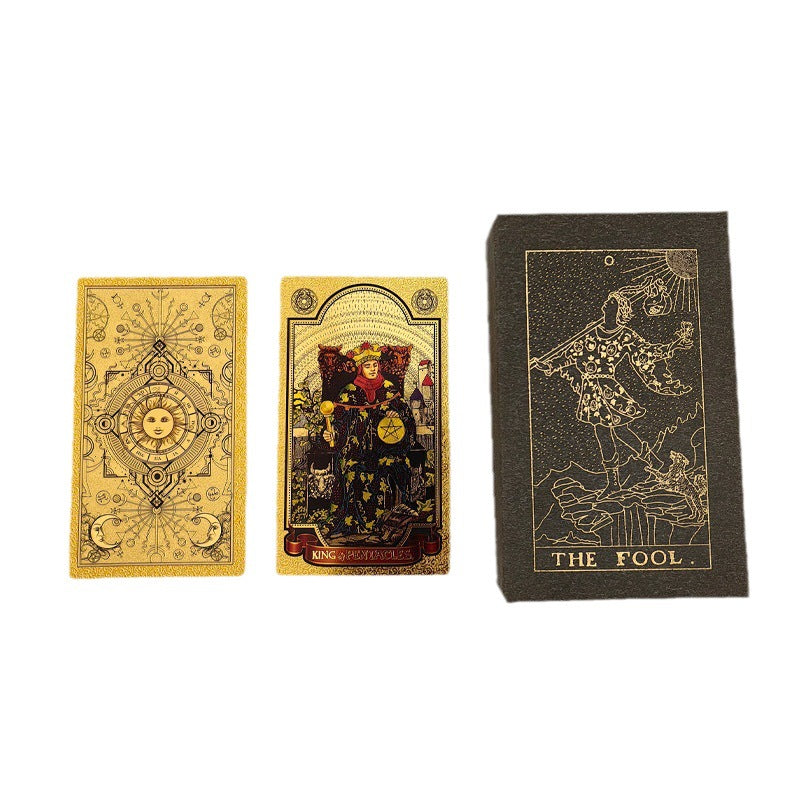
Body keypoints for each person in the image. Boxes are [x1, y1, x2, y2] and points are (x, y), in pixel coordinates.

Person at [532, 292, 693, 498]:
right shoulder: (591, 331)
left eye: (610, 302)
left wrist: (673, 345)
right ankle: (647, 465)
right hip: (591, 390)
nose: (605, 304)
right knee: (614, 432)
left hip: (608, 389)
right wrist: (548, 365)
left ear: (618, 310)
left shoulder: (625, 335)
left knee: (610, 432)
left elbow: (646, 353)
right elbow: (570, 355)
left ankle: (620, 480)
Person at [320, 342, 415, 542]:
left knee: (392, 466)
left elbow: (407, 419)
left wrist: (396, 415)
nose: (372, 369)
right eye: (367, 366)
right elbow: (338, 424)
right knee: (351, 470)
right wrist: (331, 434)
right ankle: (351, 526)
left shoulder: (389, 389)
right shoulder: (348, 392)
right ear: (360, 368)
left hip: (384, 450)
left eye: (375, 365)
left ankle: (386, 523)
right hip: (355, 452)